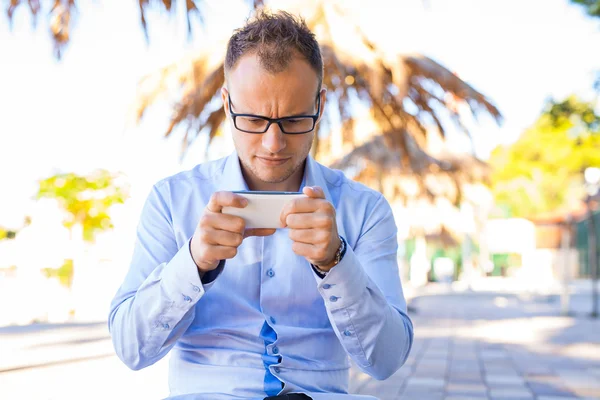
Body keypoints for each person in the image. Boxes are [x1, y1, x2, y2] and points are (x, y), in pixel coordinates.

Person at [108, 10, 413, 400]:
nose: (273, 144)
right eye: (252, 119)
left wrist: (337, 262)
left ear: (319, 106)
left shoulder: (364, 210)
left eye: (294, 119)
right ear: (226, 102)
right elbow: (131, 349)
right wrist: (193, 263)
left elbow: (386, 360)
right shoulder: (172, 201)